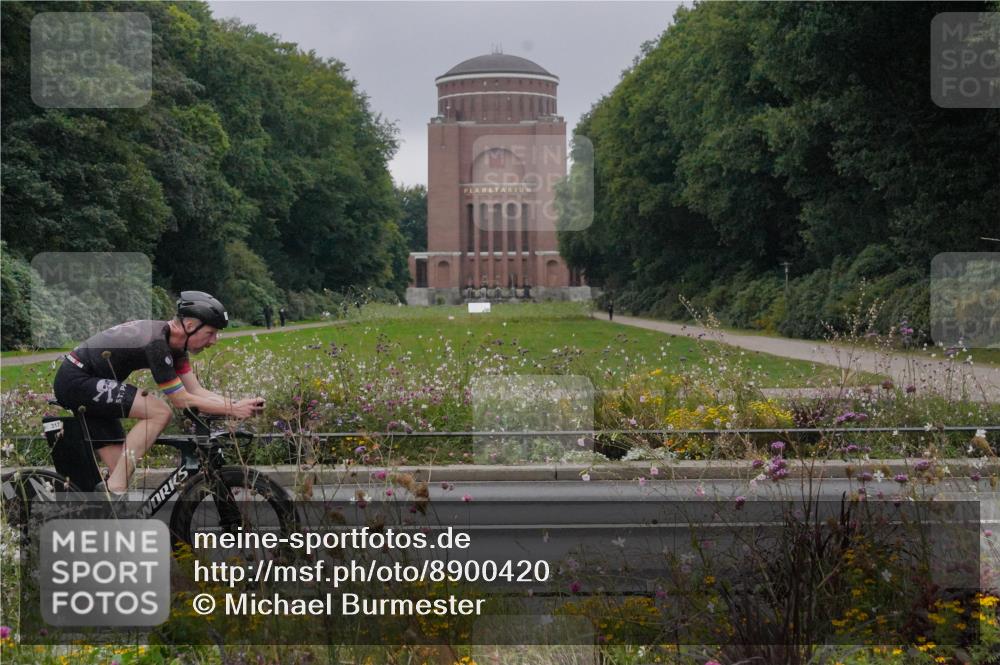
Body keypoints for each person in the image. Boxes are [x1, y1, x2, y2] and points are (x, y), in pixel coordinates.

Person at [52, 291, 265, 495]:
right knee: (160, 412)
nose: (214, 340)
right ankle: (114, 487)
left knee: (121, 468)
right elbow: (181, 400)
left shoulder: (176, 346)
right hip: (76, 380)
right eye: (210, 333)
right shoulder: (156, 343)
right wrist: (233, 409)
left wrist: (237, 404)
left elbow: (196, 391)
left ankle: (100, 511)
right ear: (190, 325)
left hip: (91, 384)